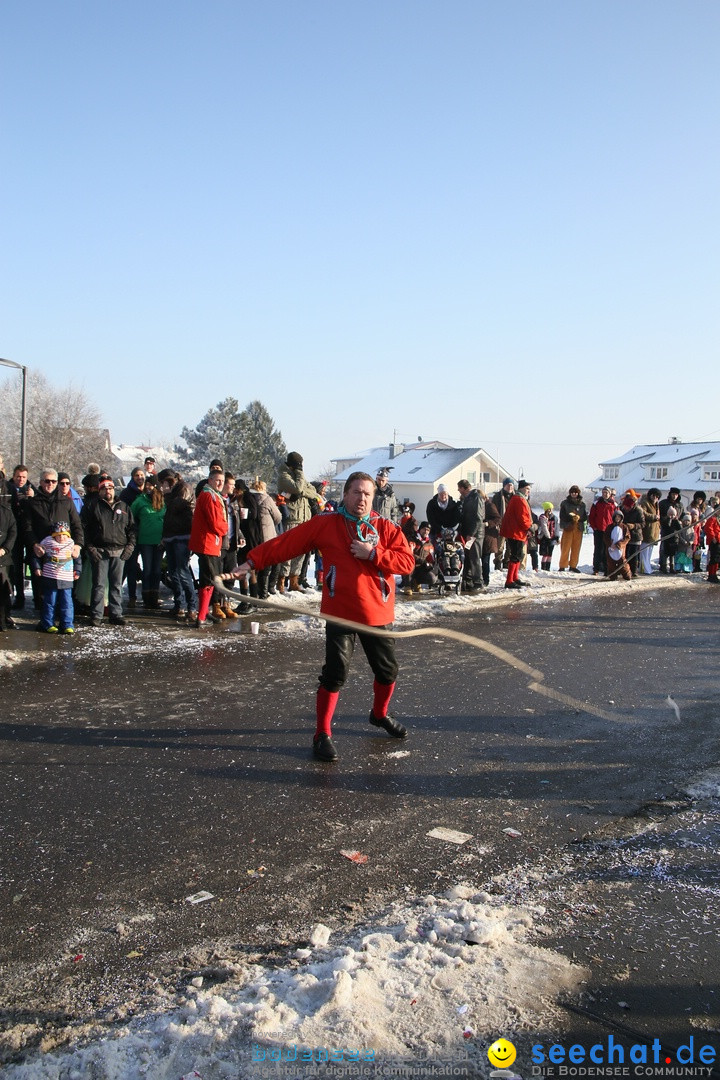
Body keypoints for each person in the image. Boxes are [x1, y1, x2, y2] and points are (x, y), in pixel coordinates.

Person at [229, 471, 415, 762]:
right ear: (346, 495)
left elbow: (407, 562)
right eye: (356, 492)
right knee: (335, 674)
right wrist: (252, 561)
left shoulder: (386, 528)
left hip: (377, 612)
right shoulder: (326, 525)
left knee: (388, 672)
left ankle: (379, 715)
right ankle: (322, 733)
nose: (362, 498)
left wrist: (374, 554)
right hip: (340, 612)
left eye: (367, 494)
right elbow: (286, 542)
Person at [81, 477, 136, 626]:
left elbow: (131, 529)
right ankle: (96, 616)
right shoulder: (92, 506)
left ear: (114, 489)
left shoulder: (124, 507)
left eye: (110, 488)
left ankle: (116, 614)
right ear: (100, 491)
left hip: (119, 551)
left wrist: (130, 547)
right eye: (104, 488)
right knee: (98, 585)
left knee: (116, 585)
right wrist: (90, 548)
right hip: (100, 551)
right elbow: (83, 529)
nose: (108, 491)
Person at [189, 468, 228, 628]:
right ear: (210, 480)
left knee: (209, 579)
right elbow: (215, 522)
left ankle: (204, 612)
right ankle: (202, 616)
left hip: (211, 543)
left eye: (222, 481)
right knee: (209, 580)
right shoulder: (209, 496)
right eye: (217, 480)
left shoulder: (212, 495)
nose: (220, 483)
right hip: (207, 543)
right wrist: (226, 528)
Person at [276, 452, 321, 591]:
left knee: (300, 553)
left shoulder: (299, 476)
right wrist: (299, 487)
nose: (300, 467)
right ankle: (281, 581)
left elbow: (313, 491)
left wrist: (299, 492)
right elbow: (298, 487)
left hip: (304, 519)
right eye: (298, 464)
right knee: (288, 552)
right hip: (292, 517)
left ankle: (294, 581)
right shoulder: (284, 476)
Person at [157, 468, 197, 621]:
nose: (162, 486)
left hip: (182, 535)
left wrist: (167, 494)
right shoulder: (174, 491)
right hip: (170, 535)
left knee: (182, 571)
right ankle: (179, 604)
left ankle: (192, 606)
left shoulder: (184, 487)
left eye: (163, 482)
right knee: (173, 571)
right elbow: (168, 515)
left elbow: (177, 506)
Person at [32, 520, 81, 633]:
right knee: (50, 602)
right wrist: (37, 568)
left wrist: (77, 571)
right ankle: (48, 624)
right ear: (54, 535)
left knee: (67, 603)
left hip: (66, 578)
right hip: (50, 577)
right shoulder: (47, 542)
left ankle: (67, 625)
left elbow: (77, 559)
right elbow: (36, 556)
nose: (62, 537)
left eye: (64, 535)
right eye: (59, 535)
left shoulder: (71, 544)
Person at [132, 476, 166, 609]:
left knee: (157, 570)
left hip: (159, 541)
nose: (148, 488)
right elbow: (131, 516)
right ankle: (146, 597)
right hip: (145, 540)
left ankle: (155, 596)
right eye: (147, 485)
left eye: (151, 485)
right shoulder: (140, 501)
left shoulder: (163, 502)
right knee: (148, 569)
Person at [249, 478, 282, 598]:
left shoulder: (248, 499)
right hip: (267, 535)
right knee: (265, 566)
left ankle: (253, 590)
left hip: (252, 536)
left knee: (253, 565)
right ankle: (263, 593)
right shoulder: (267, 500)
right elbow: (278, 517)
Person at [8, 464, 35, 609]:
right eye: (18, 476)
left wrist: (32, 497)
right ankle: (19, 597)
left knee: (32, 564)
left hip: (28, 532)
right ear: (13, 476)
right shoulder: (7, 488)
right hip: (14, 532)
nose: (21, 479)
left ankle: (37, 598)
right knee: (16, 567)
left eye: (24, 477)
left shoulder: (31, 489)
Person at [119, 467, 146, 608]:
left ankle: (148, 595)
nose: (140, 477)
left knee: (148, 567)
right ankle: (131, 596)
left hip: (147, 534)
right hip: (132, 534)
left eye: (142, 475)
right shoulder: (126, 493)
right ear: (132, 477)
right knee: (130, 566)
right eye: (137, 475)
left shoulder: (148, 492)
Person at [500, 479, 533, 589]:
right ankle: (510, 580)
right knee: (515, 555)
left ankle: (514, 578)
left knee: (518, 555)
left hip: (515, 531)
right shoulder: (519, 499)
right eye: (527, 489)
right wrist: (529, 527)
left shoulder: (518, 498)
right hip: (515, 532)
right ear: (522, 488)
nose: (528, 491)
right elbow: (522, 517)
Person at [456, 480, 485, 593]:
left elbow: (478, 518)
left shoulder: (475, 497)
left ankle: (478, 582)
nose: (458, 491)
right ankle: (468, 581)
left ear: (464, 488)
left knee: (474, 557)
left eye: (459, 488)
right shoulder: (468, 498)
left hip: (475, 534)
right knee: (468, 557)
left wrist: (471, 534)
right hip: (469, 534)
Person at [588, 487, 616, 575]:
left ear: (609, 494)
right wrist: (594, 527)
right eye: (603, 492)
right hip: (599, 530)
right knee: (598, 550)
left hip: (609, 531)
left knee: (607, 551)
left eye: (606, 492)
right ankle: (596, 569)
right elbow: (591, 516)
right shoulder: (596, 503)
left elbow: (617, 517)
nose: (605, 494)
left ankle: (607, 569)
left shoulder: (614, 504)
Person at [558, 486, 587, 572]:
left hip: (578, 528)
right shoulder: (565, 503)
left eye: (576, 492)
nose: (574, 494)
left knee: (576, 548)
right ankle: (562, 565)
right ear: (570, 493)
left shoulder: (582, 504)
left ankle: (573, 565)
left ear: (578, 493)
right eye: (572, 492)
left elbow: (585, 517)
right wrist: (571, 519)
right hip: (568, 527)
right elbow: (562, 516)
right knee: (565, 547)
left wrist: (579, 518)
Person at [0, 495, 17, 632]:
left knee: (3, 591)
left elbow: (13, 531)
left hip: (3, 557)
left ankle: (3, 620)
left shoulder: (6, 511)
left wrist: (5, 549)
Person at [659, 488, 684, 573]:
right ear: (670, 494)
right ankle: (663, 565)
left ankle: (672, 566)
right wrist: (667, 518)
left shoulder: (680, 505)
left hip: (675, 530)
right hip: (665, 528)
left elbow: (682, 514)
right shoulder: (663, 503)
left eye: (676, 495)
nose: (674, 496)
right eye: (673, 494)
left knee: (673, 550)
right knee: (664, 549)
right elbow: (660, 515)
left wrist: (680, 520)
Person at [620, 491, 645, 577]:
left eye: (628, 507)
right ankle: (625, 570)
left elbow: (643, 524)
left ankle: (634, 571)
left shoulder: (638, 510)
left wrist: (634, 526)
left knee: (634, 555)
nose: (626, 509)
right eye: (625, 507)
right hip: (626, 536)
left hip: (636, 535)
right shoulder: (622, 510)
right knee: (625, 554)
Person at [491, 478, 514, 569]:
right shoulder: (498, 496)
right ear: (504, 486)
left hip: (512, 526)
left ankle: (506, 563)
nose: (510, 487)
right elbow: (494, 510)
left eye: (511, 485)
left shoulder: (515, 497)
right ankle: (498, 563)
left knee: (510, 546)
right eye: (508, 485)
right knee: (500, 546)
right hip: (501, 524)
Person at [639, 488, 661, 574]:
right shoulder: (645, 503)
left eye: (657, 496)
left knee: (649, 551)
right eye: (653, 495)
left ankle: (648, 567)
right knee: (644, 551)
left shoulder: (657, 505)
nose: (655, 497)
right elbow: (643, 513)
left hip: (654, 530)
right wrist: (654, 517)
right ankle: (644, 568)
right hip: (647, 530)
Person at [605, 510, 631, 581]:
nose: (617, 518)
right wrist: (611, 544)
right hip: (611, 549)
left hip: (620, 549)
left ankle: (627, 574)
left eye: (619, 517)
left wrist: (619, 544)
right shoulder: (609, 527)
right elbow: (606, 537)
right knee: (611, 563)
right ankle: (612, 575)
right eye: (616, 517)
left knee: (622, 563)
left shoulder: (624, 527)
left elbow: (627, 537)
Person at [537, 502, 558, 572]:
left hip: (552, 538)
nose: (550, 510)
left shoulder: (554, 517)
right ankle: (543, 568)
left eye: (551, 509)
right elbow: (544, 527)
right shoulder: (543, 517)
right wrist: (548, 536)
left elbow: (556, 528)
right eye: (549, 509)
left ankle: (548, 567)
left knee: (550, 553)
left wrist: (557, 537)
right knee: (545, 554)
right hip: (545, 538)